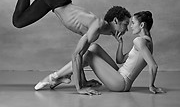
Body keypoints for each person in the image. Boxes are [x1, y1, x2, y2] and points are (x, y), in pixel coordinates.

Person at [35, 11, 165, 95]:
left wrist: (151, 86)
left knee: (88, 54)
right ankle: (63, 76)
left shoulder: (139, 41)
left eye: (133, 23)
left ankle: (55, 77)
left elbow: (153, 66)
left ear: (142, 25)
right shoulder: (147, 42)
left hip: (121, 83)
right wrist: (120, 43)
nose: (130, 26)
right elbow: (120, 60)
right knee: (94, 47)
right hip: (119, 75)